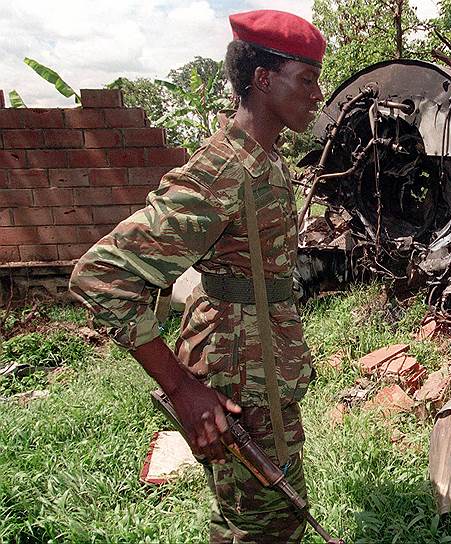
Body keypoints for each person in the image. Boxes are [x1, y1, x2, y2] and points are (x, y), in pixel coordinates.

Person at [69, 10, 326, 543]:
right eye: (307, 80)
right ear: (263, 80)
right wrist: (183, 388)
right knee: (270, 527)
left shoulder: (266, 160)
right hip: (239, 384)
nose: (317, 94)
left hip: (263, 372)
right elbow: (101, 274)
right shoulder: (223, 173)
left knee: (248, 520)